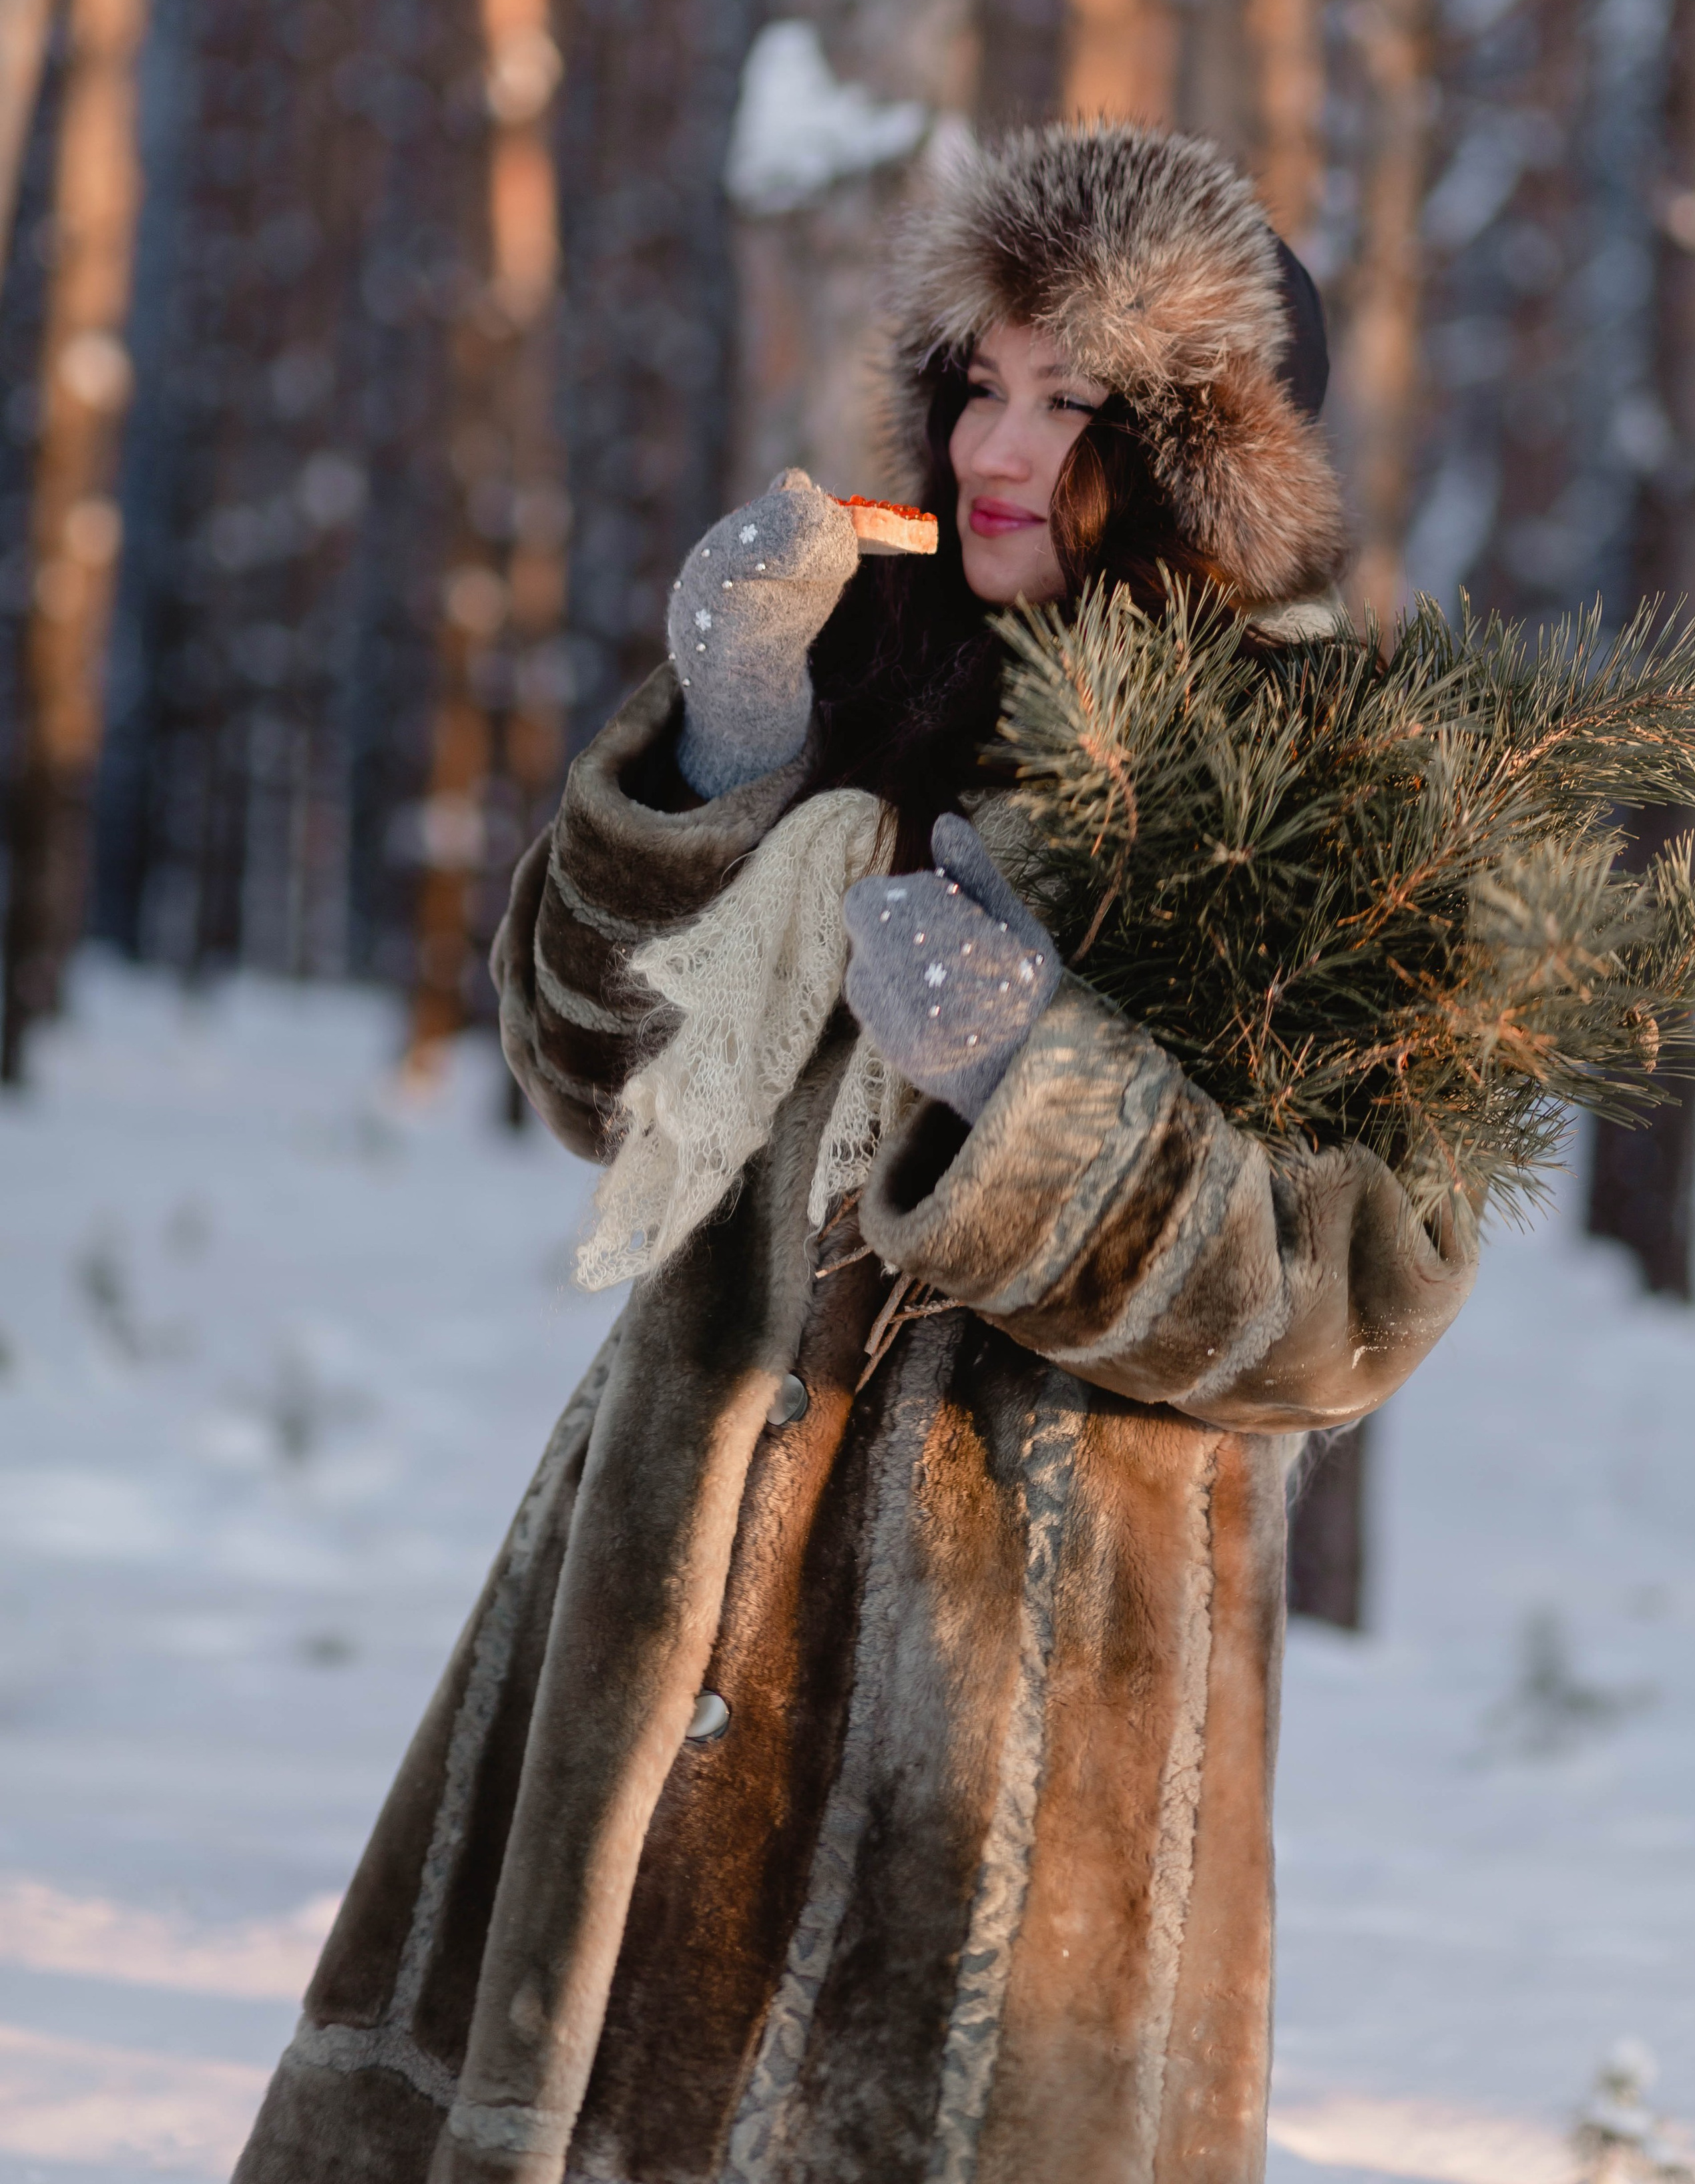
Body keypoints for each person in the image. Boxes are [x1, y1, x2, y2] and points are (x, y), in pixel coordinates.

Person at [234, 122, 1476, 2184]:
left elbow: (1347, 1306)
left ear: (1200, 446)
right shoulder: (853, 684)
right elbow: (590, 1081)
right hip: (637, 1662)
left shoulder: (1324, 791)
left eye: (1072, 400)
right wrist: (721, 742)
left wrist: (1034, 1086)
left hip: (1017, 1775)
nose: (1000, 443)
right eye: (978, 381)